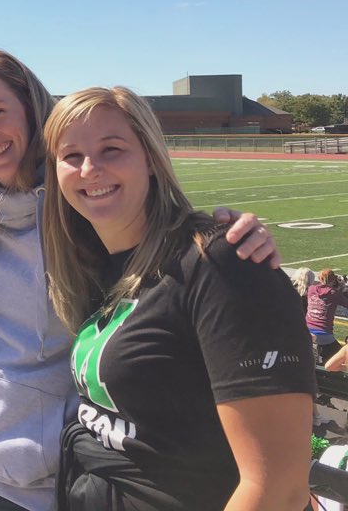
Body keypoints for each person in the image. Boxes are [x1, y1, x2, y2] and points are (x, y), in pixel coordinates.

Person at [0, 47, 281, 511]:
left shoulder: (81, 205)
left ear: (32, 108)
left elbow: (156, 229)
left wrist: (229, 236)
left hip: (47, 479)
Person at [43, 86, 314, 510]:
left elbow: (278, 486)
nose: (89, 169)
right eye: (71, 156)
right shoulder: (97, 264)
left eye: (111, 149)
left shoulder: (223, 262)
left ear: (150, 157)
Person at [307, 269, 348, 364]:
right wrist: (343, 288)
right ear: (333, 280)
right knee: (342, 357)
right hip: (324, 333)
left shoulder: (311, 289)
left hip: (307, 330)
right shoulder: (334, 293)